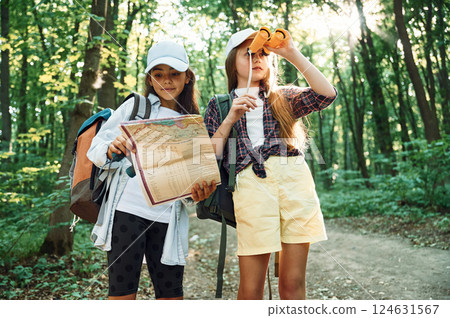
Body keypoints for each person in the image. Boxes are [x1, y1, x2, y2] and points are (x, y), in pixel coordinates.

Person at [203, 28, 337, 300]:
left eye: (264, 53)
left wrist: (290, 53)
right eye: (248, 53)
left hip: (295, 180)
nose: (257, 58)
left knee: (293, 283)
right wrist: (230, 117)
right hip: (251, 186)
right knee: (251, 289)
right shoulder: (219, 104)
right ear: (232, 61)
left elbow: (326, 95)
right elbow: (209, 156)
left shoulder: (283, 96)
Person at [88, 40, 216, 300]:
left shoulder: (192, 122)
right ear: (149, 78)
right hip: (127, 213)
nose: (166, 81)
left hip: (168, 221)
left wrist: (197, 194)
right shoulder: (135, 108)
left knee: (171, 298)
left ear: (187, 77)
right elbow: (96, 148)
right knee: (122, 296)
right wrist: (112, 147)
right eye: (158, 75)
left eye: (174, 74)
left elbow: (190, 186)